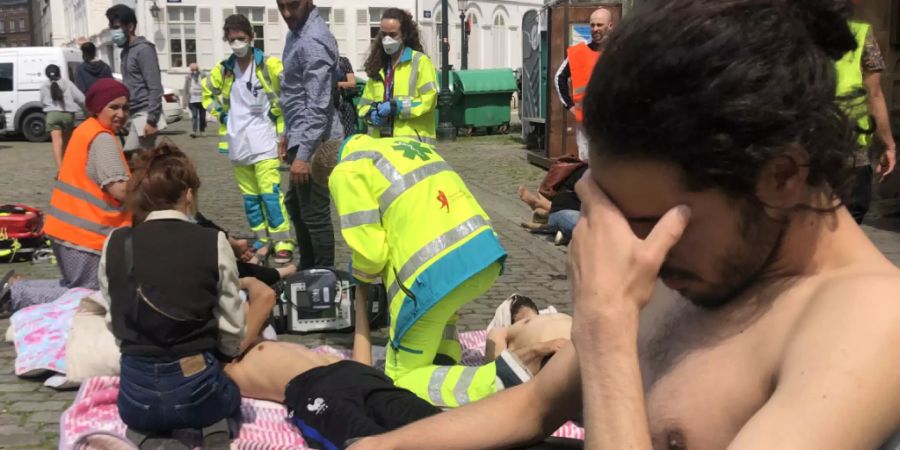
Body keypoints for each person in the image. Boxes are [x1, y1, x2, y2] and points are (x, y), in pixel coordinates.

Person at [349, 1, 900, 449]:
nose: (638, 253)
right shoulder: (703, 268)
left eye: (651, 222)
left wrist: (607, 327)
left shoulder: (873, 323)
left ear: (780, 176)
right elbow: (532, 406)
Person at [310, 134, 523, 409]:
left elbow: (371, 253)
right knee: (444, 317)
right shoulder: (405, 146)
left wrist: (359, 276)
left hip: (432, 277)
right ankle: (443, 361)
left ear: (329, 177)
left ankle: (500, 381)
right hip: (484, 255)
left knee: (402, 378)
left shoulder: (347, 170)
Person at [101, 143, 244, 448]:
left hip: (136, 390)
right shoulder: (212, 241)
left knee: (143, 414)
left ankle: (148, 438)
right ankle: (215, 427)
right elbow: (232, 320)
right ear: (188, 194)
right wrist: (226, 355)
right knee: (228, 393)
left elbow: (114, 314)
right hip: (196, 382)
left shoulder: (115, 242)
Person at [11, 79, 133, 310]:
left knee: (77, 289)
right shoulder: (103, 138)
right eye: (114, 107)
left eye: (126, 108)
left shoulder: (86, 129)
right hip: (86, 236)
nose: (121, 114)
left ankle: (16, 288)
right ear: (97, 108)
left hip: (68, 231)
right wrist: (152, 192)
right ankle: (16, 293)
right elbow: (118, 188)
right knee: (91, 296)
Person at [203, 14, 296, 265]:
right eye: (232, 39)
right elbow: (205, 94)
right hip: (238, 143)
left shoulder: (269, 65)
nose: (237, 43)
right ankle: (262, 239)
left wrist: (284, 132)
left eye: (241, 38)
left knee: (270, 193)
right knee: (251, 199)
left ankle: (283, 241)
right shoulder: (223, 70)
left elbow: (289, 92)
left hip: (265, 141)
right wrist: (221, 113)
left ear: (251, 37)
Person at [276, 0, 343, 270]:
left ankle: (322, 276)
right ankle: (308, 267)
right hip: (301, 135)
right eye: (281, 6)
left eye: (292, 6)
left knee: (314, 212)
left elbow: (317, 105)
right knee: (295, 204)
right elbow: (294, 95)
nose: (287, 13)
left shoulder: (313, 40)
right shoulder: (296, 33)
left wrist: (302, 155)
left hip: (318, 142)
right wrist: (286, 134)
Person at [834, 2, 896, 223]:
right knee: (851, 213)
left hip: (806, 143)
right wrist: (889, 145)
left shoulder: (794, 35)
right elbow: (874, 95)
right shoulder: (860, 34)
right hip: (851, 145)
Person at [358, 8, 437, 145]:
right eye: (384, 35)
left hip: (413, 145)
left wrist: (398, 106)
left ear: (404, 35)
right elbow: (363, 105)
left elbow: (429, 100)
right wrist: (371, 114)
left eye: (393, 35)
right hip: (382, 144)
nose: (387, 39)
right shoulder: (379, 66)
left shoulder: (420, 62)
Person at [106, 4, 166, 159]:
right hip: (134, 114)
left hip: (145, 114)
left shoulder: (144, 50)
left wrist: (152, 120)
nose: (114, 31)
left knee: (133, 160)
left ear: (130, 26)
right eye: (111, 27)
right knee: (140, 164)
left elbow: (155, 87)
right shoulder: (126, 52)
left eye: (117, 27)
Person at [554, 7, 613, 161]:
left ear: (610, 26)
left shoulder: (620, 52)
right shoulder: (577, 53)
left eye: (600, 25)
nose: (595, 29)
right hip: (586, 121)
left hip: (612, 120)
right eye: (592, 25)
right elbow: (559, 78)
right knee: (587, 162)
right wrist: (570, 106)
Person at [41, 64, 85, 169]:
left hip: (52, 115)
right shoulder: (68, 83)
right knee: (67, 142)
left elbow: (42, 102)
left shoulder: (44, 86)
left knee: (57, 144)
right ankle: (68, 166)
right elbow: (81, 98)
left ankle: (60, 170)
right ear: (59, 73)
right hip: (67, 115)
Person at [336, 55, 359, 137]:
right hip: (328, 106)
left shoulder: (343, 61)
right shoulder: (320, 61)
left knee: (348, 134)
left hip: (344, 103)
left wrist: (336, 84)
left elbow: (352, 83)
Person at [184, 63, 207, 138]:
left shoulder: (203, 76)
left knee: (202, 116)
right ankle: (194, 131)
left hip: (202, 99)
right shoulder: (188, 77)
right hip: (193, 99)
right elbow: (186, 90)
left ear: (198, 69)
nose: (194, 72)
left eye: (195, 70)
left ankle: (202, 130)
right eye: (192, 70)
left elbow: (207, 86)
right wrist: (184, 102)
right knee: (194, 116)